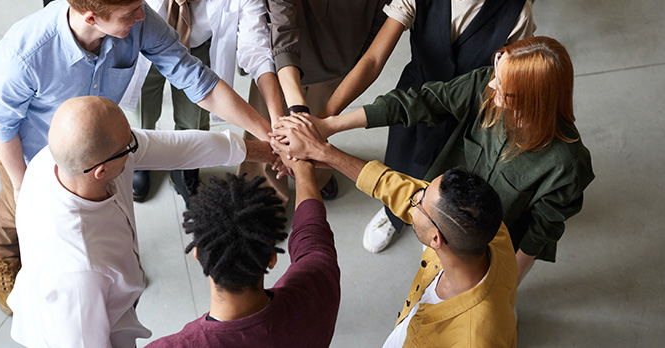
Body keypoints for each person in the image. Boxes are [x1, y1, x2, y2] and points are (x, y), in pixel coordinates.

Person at [0, 0, 272, 315]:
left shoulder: (137, 19)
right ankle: (6, 257)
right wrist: (24, 189)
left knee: (99, 217)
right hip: (32, 150)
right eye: (130, 11)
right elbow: (1, 125)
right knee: (13, 216)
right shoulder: (23, 56)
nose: (142, 16)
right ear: (90, 16)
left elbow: (196, 80)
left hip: (101, 146)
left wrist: (268, 133)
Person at [318, 0, 536, 252]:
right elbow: (373, 60)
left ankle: (438, 222)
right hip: (414, 98)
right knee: (402, 162)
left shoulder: (516, 11)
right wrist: (326, 119)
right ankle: (394, 213)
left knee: (454, 180)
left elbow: (513, 81)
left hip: (471, 112)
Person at [281, 37, 594, 283]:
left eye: (506, 89)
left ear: (534, 100)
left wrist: (508, 281)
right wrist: (329, 125)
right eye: (497, 73)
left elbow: (541, 230)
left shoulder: (567, 164)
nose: (492, 85)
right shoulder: (488, 83)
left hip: (489, 245)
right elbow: (422, 102)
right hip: (438, 208)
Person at [8, 96, 276, 348]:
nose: (134, 145)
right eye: (129, 146)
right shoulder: (81, 272)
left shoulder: (63, 159)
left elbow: (177, 147)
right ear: (101, 171)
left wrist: (267, 151)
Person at [270, 117, 517, 347]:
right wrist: (322, 153)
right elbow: (397, 187)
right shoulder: (487, 229)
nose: (413, 197)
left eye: (419, 201)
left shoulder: (473, 339)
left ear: (436, 239)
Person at [124, 0, 284, 204]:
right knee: (144, 109)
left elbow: (256, 46)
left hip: (198, 50)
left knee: (195, 118)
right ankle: (142, 157)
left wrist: (275, 120)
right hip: (147, 51)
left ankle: (184, 166)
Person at [259, 0, 398, 201]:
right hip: (284, 68)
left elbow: (380, 28)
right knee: (271, 137)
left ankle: (318, 178)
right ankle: (267, 202)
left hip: (336, 68)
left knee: (320, 139)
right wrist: (297, 110)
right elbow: (282, 33)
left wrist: (349, 72)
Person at [145, 153, 340, 347]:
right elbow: (313, 234)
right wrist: (303, 169)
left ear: (197, 255)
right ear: (272, 258)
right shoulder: (319, 284)